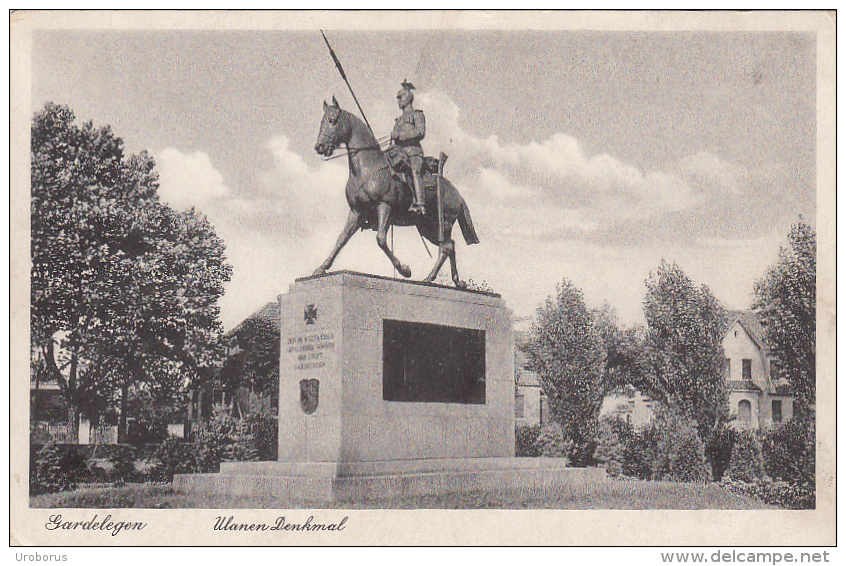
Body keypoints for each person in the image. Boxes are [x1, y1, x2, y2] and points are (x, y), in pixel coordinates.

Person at [391, 80, 427, 215]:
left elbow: (420, 132)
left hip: (413, 153)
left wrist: (400, 135)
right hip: (399, 154)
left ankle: (420, 204)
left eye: (400, 98)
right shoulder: (398, 120)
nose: (398, 101)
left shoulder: (417, 114)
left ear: (408, 98)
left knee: (414, 172)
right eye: (397, 98)